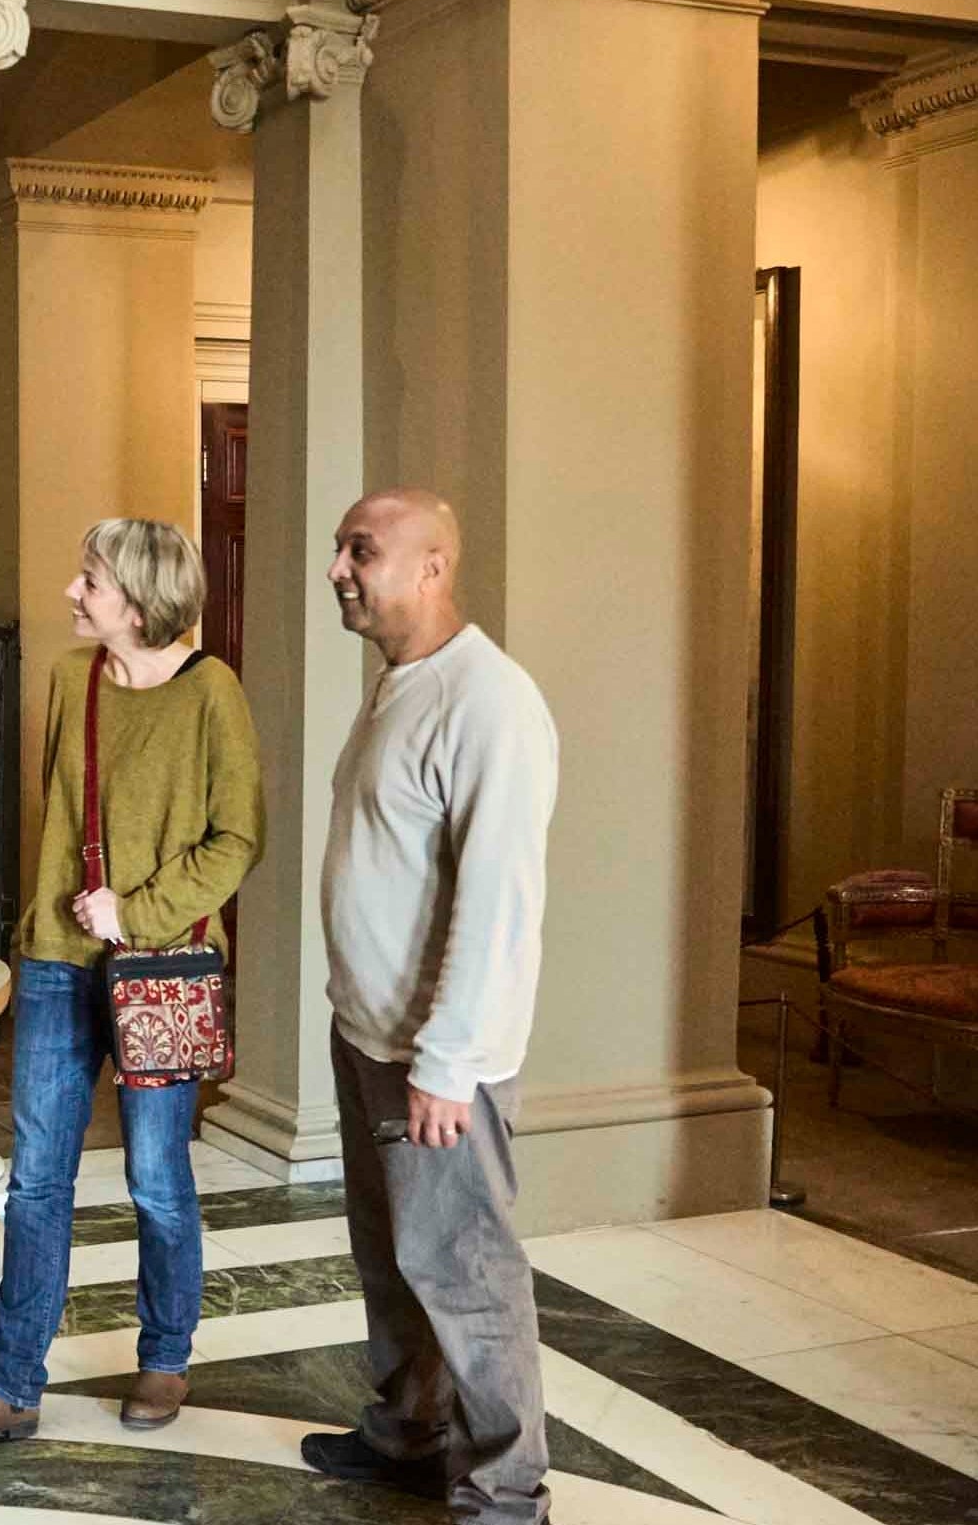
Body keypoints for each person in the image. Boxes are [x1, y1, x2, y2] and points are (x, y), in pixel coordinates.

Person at [0, 518, 263, 1444]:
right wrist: (60, 924)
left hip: (159, 966)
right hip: (56, 960)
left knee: (156, 1175)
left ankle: (165, 1357)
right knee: (37, 1180)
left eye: (90, 580)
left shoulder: (213, 693)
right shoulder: (67, 678)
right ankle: (13, 1384)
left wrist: (137, 912)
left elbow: (238, 838)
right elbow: (61, 820)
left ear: (141, 597)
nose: (71, 594)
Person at [298, 489, 559, 1525]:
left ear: (432, 566)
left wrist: (447, 1065)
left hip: (435, 1061)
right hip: (371, 1035)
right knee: (395, 1259)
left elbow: (497, 905)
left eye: (360, 551)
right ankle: (410, 1433)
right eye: (340, 550)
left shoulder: (489, 702)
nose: (338, 570)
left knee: (466, 1273)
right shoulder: (401, 685)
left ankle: (506, 1492)